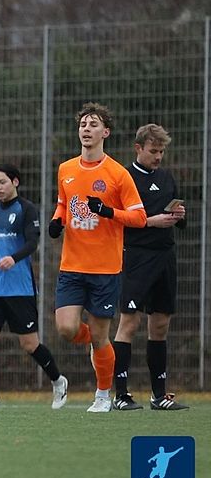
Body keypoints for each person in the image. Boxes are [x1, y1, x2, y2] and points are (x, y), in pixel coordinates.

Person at [48, 102, 146, 413]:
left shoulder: (118, 174)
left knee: (102, 335)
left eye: (93, 125)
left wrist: (107, 212)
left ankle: (104, 394)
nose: (86, 129)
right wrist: (57, 219)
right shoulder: (66, 169)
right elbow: (65, 204)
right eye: (83, 125)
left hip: (105, 269)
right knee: (66, 328)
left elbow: (139, 217)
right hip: (72, 266)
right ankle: (99, 342)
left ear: (106, 132)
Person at [0, 164, 68, 409]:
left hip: (20, 289)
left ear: (15, 182)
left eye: (2, 182)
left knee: (29, 344)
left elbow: (33, 243)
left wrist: (14, 258)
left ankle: (58, 380)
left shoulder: (26, 209)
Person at [112, 124, 188, 411]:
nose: (158, 157)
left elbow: (178, 221)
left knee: (160, 325)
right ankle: (121, 395)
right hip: (136, 256)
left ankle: (159, 396)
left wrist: (179, 215)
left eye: (162, 151)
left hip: (165, 257)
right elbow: (117, 219)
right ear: (138, 148)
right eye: (153, 151)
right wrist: (150, 221)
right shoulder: (124, 178)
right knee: (129, 322)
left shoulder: (167, 177)